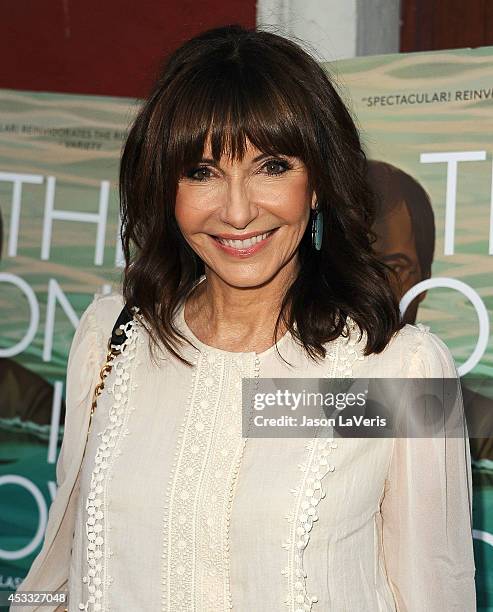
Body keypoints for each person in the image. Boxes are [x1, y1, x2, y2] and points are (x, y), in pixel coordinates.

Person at [14, 25, 476, 611]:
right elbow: (57, 572)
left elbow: (436, 593)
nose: (236, 212)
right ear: (165, 186)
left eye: (272, 167)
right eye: (202, 172)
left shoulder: (399, 370)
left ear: (318, 185)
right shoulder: (112, 339)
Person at [368, 159, 493, 463]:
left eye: (396, 267)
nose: (373, 283)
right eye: (357, 262)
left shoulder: (480, 421)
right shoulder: (283, 396)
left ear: (425, 279)